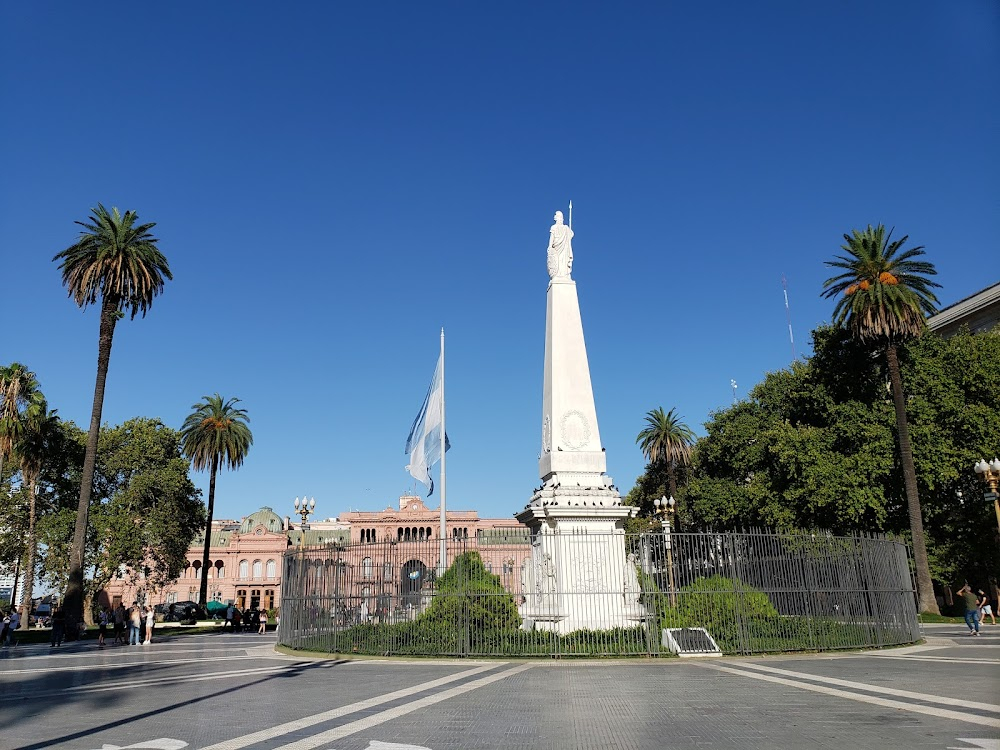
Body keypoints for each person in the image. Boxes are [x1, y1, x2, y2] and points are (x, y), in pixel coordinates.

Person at [546, 210, 574, 280]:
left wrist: (569, 231)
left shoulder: (566, 228)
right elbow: (552, 237)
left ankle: (565, 275)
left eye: (561, 217)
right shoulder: (553, 227)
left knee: (564, 261)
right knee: (557, 261)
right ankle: (557, 275)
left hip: (564, 248)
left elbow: (571, 235)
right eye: (558, 216)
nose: (561, 219)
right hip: (556, 248)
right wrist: (549, 246)